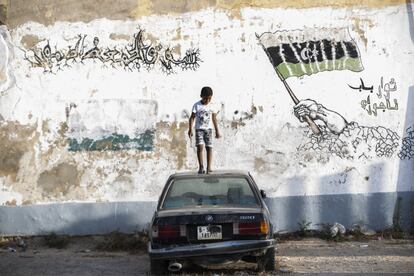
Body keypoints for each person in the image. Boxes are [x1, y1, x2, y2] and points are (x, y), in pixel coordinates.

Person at [188, 86, 221, 174]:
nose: (207, 101)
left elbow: (214, 119)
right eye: (205, 98)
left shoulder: (212, 106)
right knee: (200, 147)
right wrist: (190, 129)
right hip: (199, 130)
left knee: (209, 147)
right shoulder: (197, 105)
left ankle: (209, 167)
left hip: (209, 130)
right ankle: (201, 166)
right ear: (201, 96)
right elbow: (192, 118)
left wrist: (217, 131)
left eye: (209, 99)